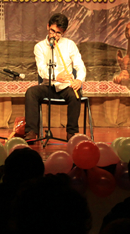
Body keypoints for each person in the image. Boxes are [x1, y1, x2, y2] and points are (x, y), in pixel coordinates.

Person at [22, 12, 86, 142]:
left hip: (66, 86)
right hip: (48, 86)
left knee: (75, 94)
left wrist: (79, 80)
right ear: (48, 26)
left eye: (58, 33)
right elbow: (41, 69)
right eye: (52, 31)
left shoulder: (69, 45)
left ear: (64, 32)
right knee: (31, 92)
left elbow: (80, 65)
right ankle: (31, 132)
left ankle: (71, 133)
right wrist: (56, 76)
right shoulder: (39, 47)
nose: (54, 35)